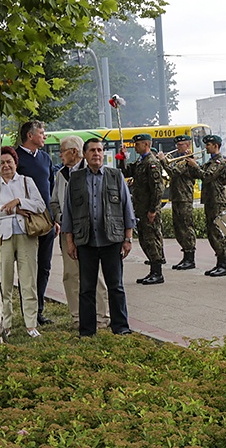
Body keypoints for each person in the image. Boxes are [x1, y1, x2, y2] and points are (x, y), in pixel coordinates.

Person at [62, 138, 135, 337]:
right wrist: (70, 242)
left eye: (100, 150)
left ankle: (120, 327)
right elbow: (68, 212)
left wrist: (128, 238)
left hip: (112, 240)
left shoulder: (115, 175)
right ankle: (87, 330)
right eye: (92, 150)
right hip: (86, 241)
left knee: (116, 286)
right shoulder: (75, 179)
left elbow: (126, 207)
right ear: (85, 154)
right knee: (86, 288)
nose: (97, 154)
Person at [50, 135, 110, 329]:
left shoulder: (92, 171)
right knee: (70, 275)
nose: (60, 155)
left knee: (95, 275)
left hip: (90, 232)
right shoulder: (61, 174)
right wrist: (62, 218)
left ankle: (102, 316)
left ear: (74, 152)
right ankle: (77, 317)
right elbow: (54, 202)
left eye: (62, 151)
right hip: (68, 232)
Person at [0, 146, 46, 338]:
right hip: (4, 237)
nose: (5, 166)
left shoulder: (26, 181)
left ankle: (31, 324)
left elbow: (40, 204)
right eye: (1, 163)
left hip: (27, 234)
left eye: (9, 161)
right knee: (4, 283)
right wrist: (13, 210)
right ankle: (5, 324)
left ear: (15, 163)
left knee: (28, 281)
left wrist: (19, 202)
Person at [16, 120, 57, 326]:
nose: (44, 136)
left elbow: (50, 189)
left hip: (46, 222)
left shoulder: (45, 158)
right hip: (24, 221)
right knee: (27, 268)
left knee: (44, 267)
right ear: (30, 136)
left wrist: (54, 218)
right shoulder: (14, 158)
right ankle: (27, 311)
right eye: (42, 133)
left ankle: (38, 310)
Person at [118, 133, 165, 284]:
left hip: (148, 209)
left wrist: (153, 209)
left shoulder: (152, 163)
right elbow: (126, 171)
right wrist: (122, 158)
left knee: (152, 239)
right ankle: (152, 270)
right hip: (140, 208)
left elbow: (158, 188)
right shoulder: (141, 161)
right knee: (145, 240)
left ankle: (157, 273)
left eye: (137, 144)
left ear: (146, 144)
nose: (135, 146)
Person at [188, 134, 226, 277]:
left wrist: (195, 166)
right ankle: (219, 262)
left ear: (216, 146)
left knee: (217, 232)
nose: (206, 147)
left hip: (217, 201)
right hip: (210, 200)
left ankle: (224, 264)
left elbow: (207, 176)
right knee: (211, 232)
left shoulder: (220, 162)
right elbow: (198, 174)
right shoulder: (211, 161)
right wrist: (192, 164)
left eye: (208, 145)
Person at [157, 134, 198, 270]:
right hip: (177, 197)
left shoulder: (187, 160)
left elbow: (174, 172)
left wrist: (163, 160)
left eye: (180, 145)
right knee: (179, 228)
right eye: (177, 145)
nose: (177, 147)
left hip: (184, 198)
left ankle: (190, 258)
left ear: (187, 145)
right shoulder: (179, 159)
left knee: (186, 227)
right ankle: (185, 255)